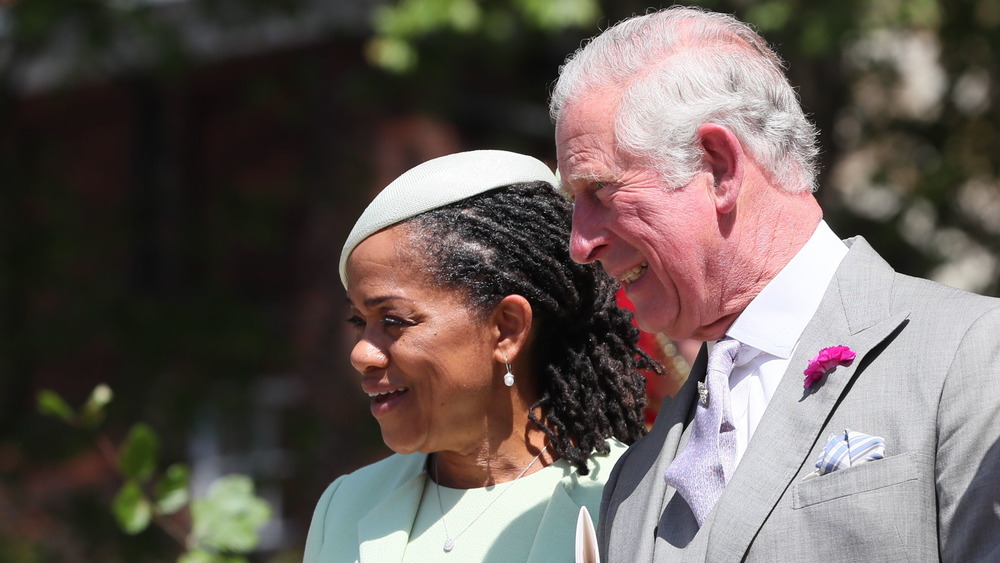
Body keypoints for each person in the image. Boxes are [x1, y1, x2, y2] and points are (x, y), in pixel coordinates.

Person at [550, 6, 1000, 562]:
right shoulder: (633, 481)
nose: (580, 242)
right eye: (575, 203)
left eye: (600, 190)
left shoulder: (973, 353)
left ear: (718, 168)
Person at [304, 150, 657, 562]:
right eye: (359, 322)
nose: (362, 353)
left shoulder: (634, 502)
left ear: (506, 328)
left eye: (394, 320)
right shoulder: (346, 506)